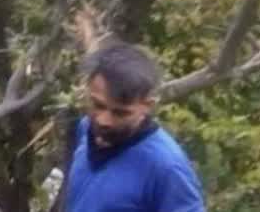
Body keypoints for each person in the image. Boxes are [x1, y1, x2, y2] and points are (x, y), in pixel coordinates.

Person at [64, 43, 205, 212]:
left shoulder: (166, 167)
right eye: (98, 105)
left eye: (120, 113)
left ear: (147, 106)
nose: (103, 120)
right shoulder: (85, 128)